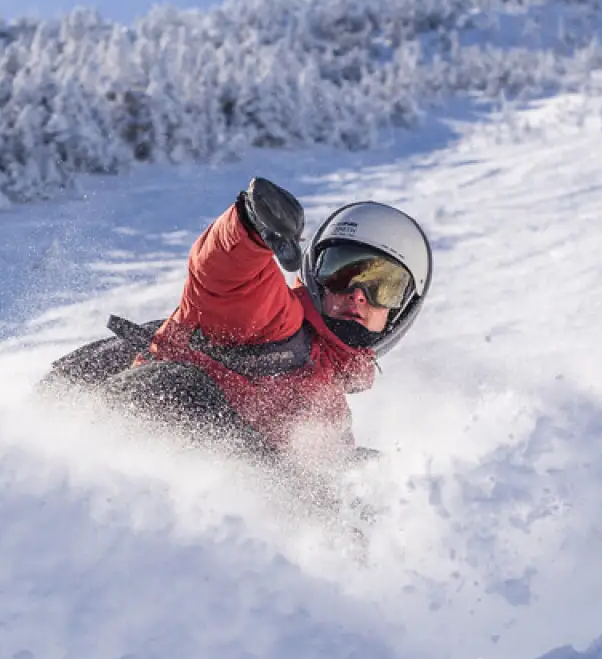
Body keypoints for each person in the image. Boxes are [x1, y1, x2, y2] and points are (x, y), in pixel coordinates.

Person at [51, 176, 432, 468]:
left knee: (360, 473)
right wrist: (249, 228)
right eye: (340, 272)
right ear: (315, 274)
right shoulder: (275, 324)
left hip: (193, 511)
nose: (358, 294)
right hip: (116, 444)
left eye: (385, 285)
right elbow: (224, 276)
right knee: (185, 391)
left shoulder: (328, 404)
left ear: (400, 312)